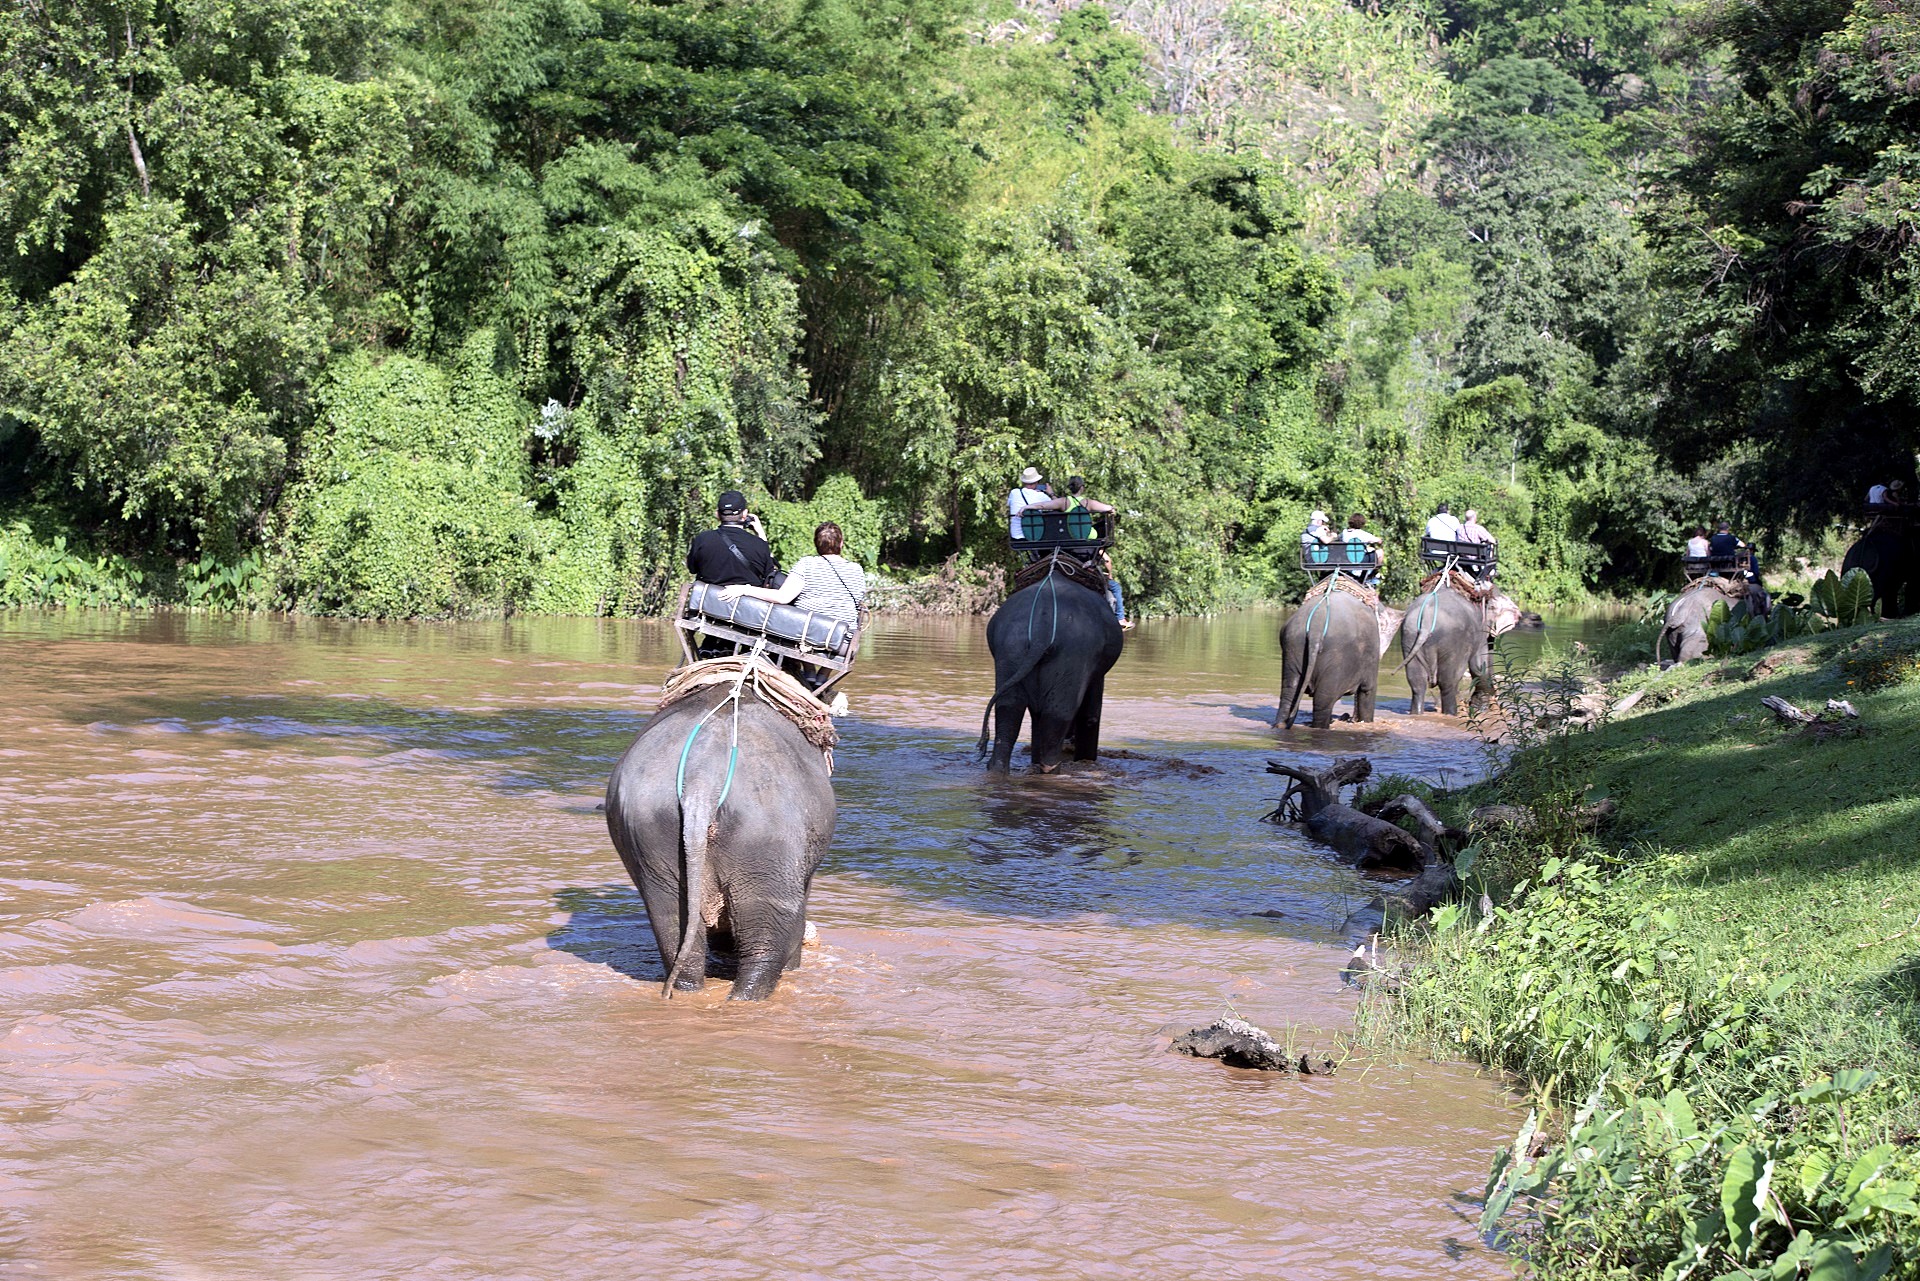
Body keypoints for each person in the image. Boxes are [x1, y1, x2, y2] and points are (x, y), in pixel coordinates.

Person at [717, 522, 868, 685]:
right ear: (841, 543)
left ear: (816, 543)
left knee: (802, 622)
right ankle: (822, 677)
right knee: (840, 624)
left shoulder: (807, 564)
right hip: (842, 643)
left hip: (807, 638)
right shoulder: (857, 569)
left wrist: (745, 589)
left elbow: (782, 597)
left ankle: (809, 670)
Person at [687, 489, 778, 588]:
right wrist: (761, 534)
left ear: (717, 515)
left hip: (710, 597)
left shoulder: (702, 539)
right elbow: (771, 577)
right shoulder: (760, 544)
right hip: (747, 598)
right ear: (745, 514)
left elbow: (692, 569)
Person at [1007, 467, 1056, 540]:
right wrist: (1051, 493)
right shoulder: (1041, 496)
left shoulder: (1014, 492)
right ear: (1037, 482)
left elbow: (1009, 505)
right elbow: (1058, 505)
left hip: (1015, 537)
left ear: (1024, 482)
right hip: (1034, 537)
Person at [1342, 513, 1383, 585]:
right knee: (1380, 552)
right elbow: (1378, 540)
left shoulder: (1344, 532)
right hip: (1360, 560)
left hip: (1346, 559)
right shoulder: (1362, 534)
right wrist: (1379, 540)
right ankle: (1374, 573)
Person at [1099, 550, 1134, 631]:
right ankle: (1120, 618)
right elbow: (1107, 560)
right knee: (1116, 587)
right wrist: (1110, 574)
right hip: (1091, 572)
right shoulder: (1094, 546)